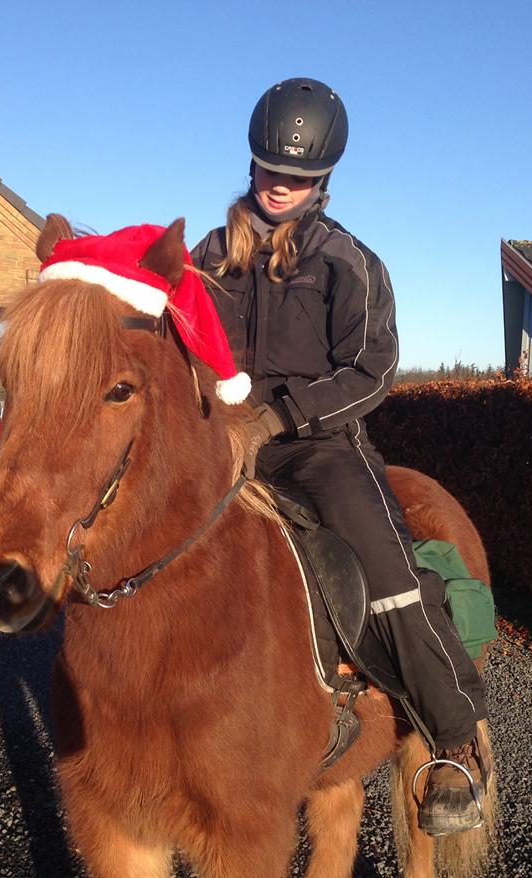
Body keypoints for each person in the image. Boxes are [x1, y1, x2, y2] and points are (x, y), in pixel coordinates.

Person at [191, 77, 488, 836]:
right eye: (268, 170)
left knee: (386, 572)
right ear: (251, 164)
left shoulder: (347, 261)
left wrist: (279, 416)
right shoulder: (209, 256)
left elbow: (373, 369)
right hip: (219, 441)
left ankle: (453, 740)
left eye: (297, 176)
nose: (279, 186)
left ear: (322, 180)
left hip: (319, 447)